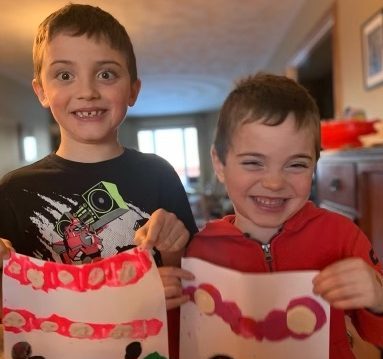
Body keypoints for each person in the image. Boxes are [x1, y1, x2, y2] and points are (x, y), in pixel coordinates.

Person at [0, 4, 196, 358]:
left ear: (133, 90)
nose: (87, 91)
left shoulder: (158, 174)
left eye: (106, 74)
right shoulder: (13, 190)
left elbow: (191, 289)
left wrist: (173, 250)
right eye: (64, 76)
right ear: (41, 91)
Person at [185, 73, 383, 358]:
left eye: (296, 165)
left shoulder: (343, 236)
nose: (275, 183)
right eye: (254, 162)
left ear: (315, 164)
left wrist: (377, 297)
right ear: (219, 163)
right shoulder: (199, 250)